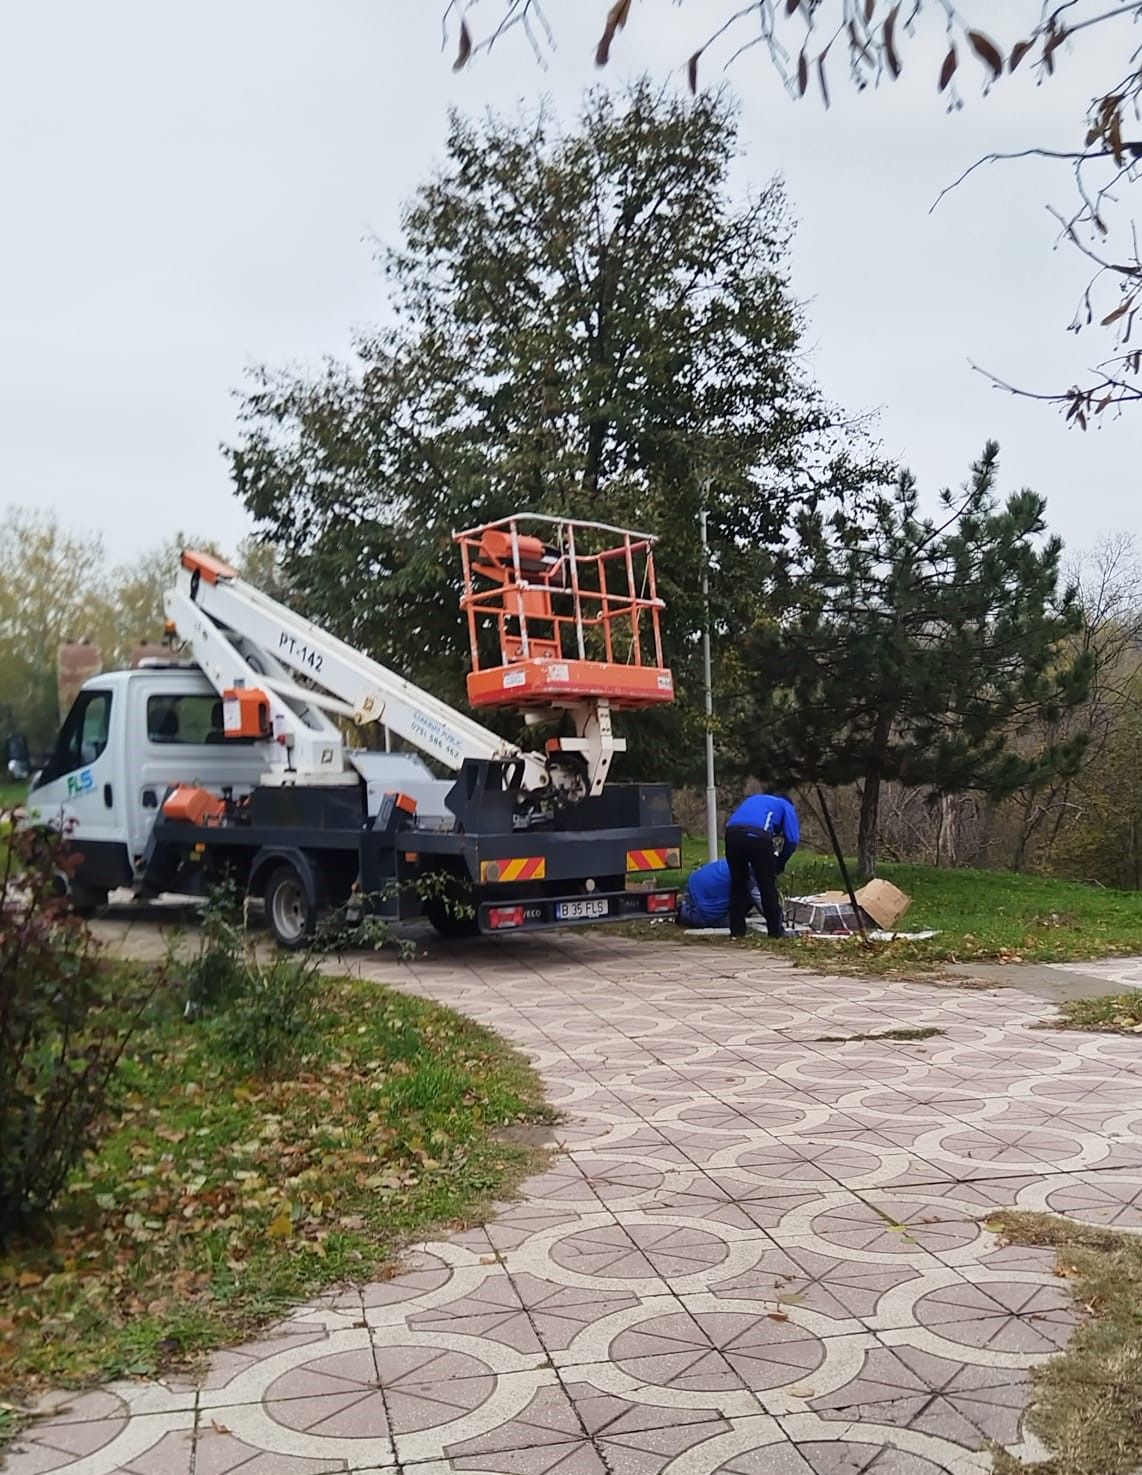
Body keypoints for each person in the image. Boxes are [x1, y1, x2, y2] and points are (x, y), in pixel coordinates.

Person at [724, 791, 800, 938]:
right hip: (757, 837)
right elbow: (792, 840)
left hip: (732, 835)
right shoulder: (786, 806)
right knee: (766, 885)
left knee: (738, 883)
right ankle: (776, 931)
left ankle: (737, 931)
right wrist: (779, 863)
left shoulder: (756, 799)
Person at [677, 857, 762, 929]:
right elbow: (758, 898)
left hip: (698, 881)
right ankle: (681, 911)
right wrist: (774, 920)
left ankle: (686, 906)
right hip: (702, 894)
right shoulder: (749, 874)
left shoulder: (747, 861)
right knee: (714, 922)